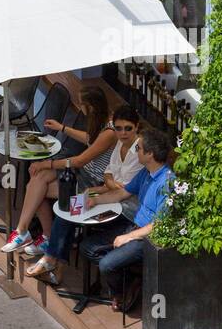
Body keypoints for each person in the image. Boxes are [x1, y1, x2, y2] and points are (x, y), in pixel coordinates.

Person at [28, 129, 174, 312]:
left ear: (150, 154)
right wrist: (94, 200)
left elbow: (160, 224)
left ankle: (124, 286)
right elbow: (123, 192)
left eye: (139, 148)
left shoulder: (167, 183)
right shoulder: (146, 172)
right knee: (86, 247)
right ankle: (123, 273)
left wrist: (129, 237)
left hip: (147, 237)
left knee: (106, 264)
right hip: (132, 225)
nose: (136, 150)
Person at [24, 105, 143, 282]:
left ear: (137, 127)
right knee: (70, 210)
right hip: (110, 198)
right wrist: (107, 184)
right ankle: (54, 262)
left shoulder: (139, 151)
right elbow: (109, 173)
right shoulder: (119, 143)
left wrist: (100, 189)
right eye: (118, 128)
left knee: (74, 209)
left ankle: (53, 262)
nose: (123, 133)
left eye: (128, 129)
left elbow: (123, 189)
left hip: (126, 211)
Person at [0, 85, 116, 256]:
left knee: (37, 186)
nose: (79, 105)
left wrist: (47, 163)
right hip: (83, 172)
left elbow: (80, 160)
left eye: (80, 103)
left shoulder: (110, 132)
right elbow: (89, 139)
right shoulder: (102, 122)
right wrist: (62, 127)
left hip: (90, 181)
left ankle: (40, 235)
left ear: (90, 107)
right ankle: (24, 230)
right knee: (37, 178)